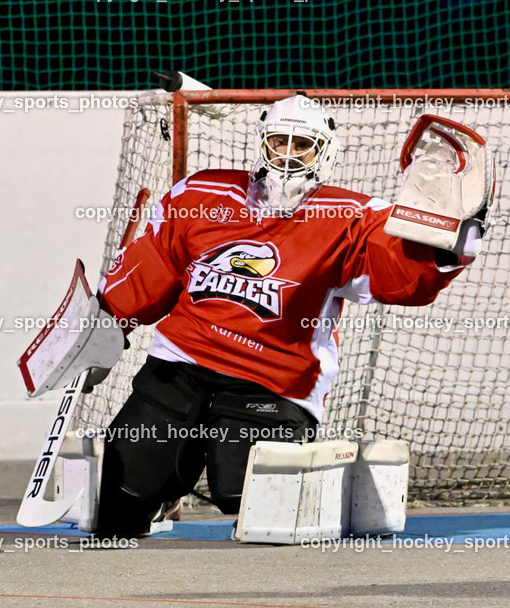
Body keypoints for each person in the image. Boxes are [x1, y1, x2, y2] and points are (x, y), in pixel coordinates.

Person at [92, 95, 481, 535]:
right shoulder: (201, 193)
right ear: (262, 143)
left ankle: (334, 483)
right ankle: (158, 497)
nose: (289, 154)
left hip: (273, 381)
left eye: (303, 145)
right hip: (179, 366)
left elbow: (404, 276)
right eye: (280, 141)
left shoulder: (351, 217)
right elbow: (151, 267)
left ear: (324, 153)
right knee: (117, 504)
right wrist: (105, 322)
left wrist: (450, 242)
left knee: (253, 506)